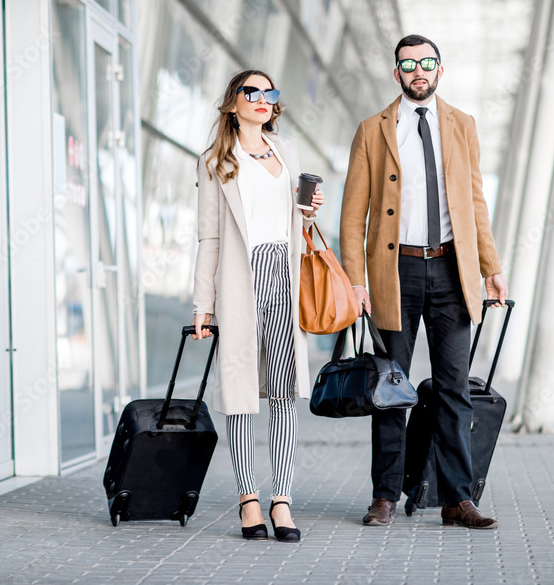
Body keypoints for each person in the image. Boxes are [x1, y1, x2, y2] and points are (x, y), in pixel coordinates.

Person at [339, 34, 508, 529]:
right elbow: (352, 216)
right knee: (391, 388)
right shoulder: (372, 130)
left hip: (453, 270)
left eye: (427, 62)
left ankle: (458, 499)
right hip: (396, 271)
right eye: (409, 64)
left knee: (454, 391)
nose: (419, 71)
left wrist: (490, 266)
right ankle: (385, 495)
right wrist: (355, 280)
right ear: (396, 73)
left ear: (439, 69)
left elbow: (475, 202)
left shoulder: (462, 124)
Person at [191, 69, 324, 542]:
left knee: (285, 391)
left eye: (271, 92)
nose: (264, 99)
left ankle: (282, 498)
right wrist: (202, 307)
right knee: (243, 392)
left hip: (283, 278)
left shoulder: (285, 150)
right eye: (254, 92)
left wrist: (307, 212)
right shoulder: (215, 161)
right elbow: (209, 237)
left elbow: (294, 225)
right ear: (233, 103)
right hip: (240, 280)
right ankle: (249, 498)